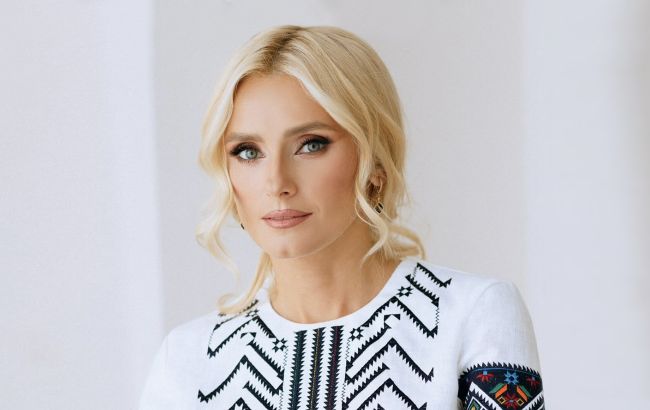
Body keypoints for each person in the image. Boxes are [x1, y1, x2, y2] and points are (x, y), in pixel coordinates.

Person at [139, 25, 544, 410]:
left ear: (375, 161)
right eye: (247, 152)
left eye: (311, 144)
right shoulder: (187, 358)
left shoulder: (473, 314)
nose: (276, 182)